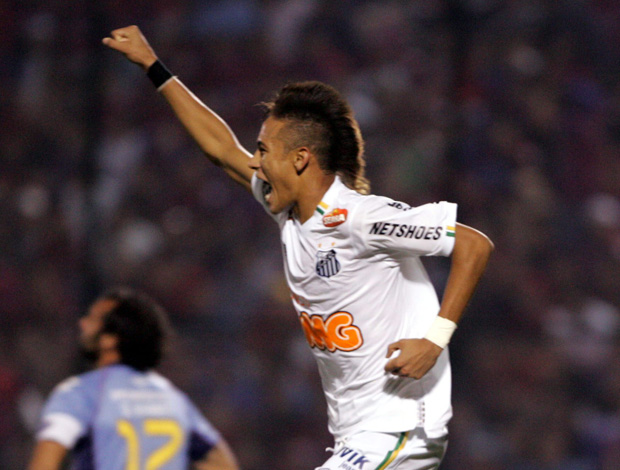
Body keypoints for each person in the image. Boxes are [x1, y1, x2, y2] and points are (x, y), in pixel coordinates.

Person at [102, 25, 494, 470]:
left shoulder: (361, 217)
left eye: (264, 149)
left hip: (400, 428)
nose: (255, 161)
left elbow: (473, 245)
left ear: (300, 158)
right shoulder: (289, 212)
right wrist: (154, 67)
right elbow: (219, 149)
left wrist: (434, 340)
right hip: (356, 434)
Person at [27, 287, 239, 470]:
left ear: (110, 339)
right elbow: (222, 463)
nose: (83, 323)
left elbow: (45, 463)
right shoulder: (174, 399)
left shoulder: (79, 393)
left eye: (92, 318)